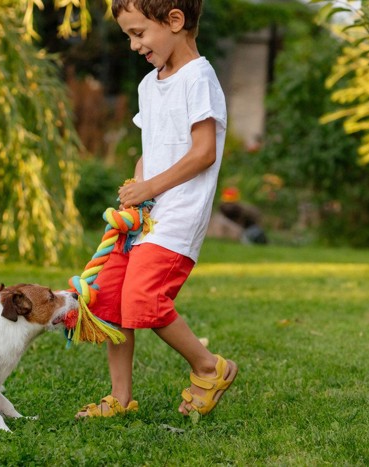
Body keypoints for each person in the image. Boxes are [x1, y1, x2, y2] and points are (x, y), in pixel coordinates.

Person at [76, 0, 238, 419]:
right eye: (129, 35)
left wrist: (151, 187)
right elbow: (150, 153)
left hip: (178, 217)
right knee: (110, 299)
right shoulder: (150, 85)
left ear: (175, 21)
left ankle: (209, 367)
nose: (133, 45)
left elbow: (203, 153)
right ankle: (121, 398)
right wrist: (137, 187)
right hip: (146, 216)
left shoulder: (199, 78)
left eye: (139, 33)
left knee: (145, 300)